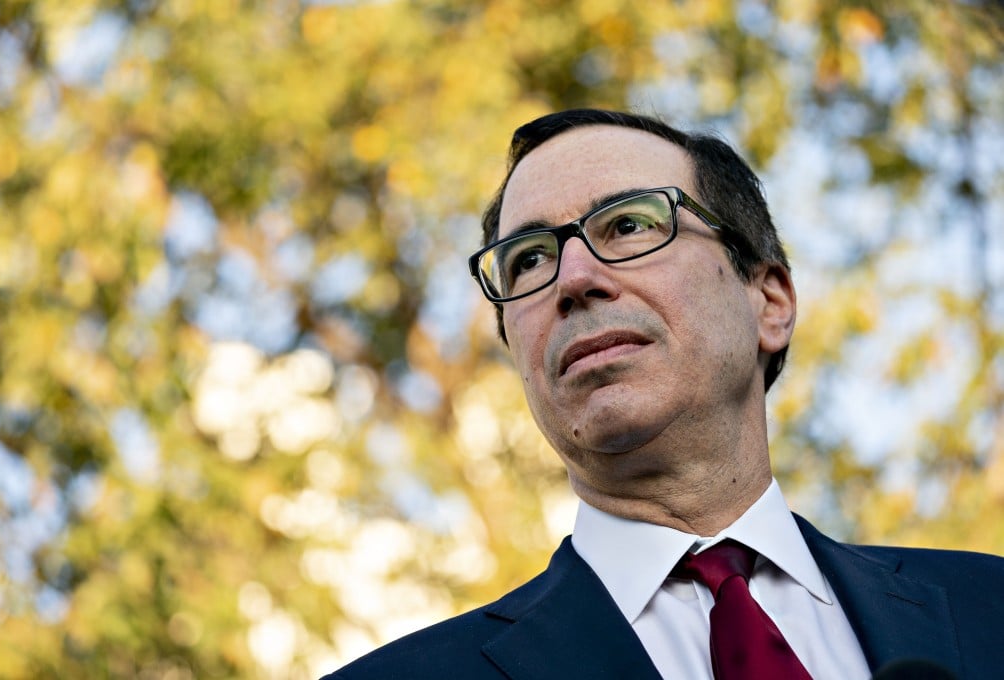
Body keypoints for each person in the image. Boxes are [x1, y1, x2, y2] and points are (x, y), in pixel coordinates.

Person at [322, 109, 1004, 680]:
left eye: (628, 224)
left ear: (769, 301)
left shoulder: (989, 610)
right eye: (528, 259)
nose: (573, 279)